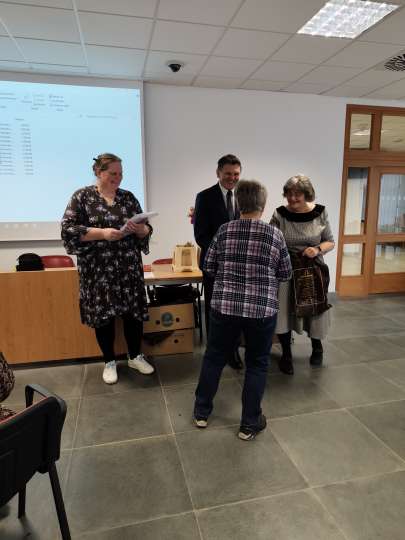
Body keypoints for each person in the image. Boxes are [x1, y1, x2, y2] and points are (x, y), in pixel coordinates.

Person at [193, 180, 291, 441]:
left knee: (214, 357)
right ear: (263, 204)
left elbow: (208, 266)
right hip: (261, 310)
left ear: (238, 203)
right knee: (257, 364)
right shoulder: (274, 235)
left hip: (224, 307)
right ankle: (249, 424)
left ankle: (201, 412)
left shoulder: (224, 230)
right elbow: (285, 273)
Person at [61, 153, 154, 384]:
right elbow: (68, 229)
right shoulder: (82, 197)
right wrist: (102, 233)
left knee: (133, 314)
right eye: (113, 173)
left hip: (128, 267)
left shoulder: (128, 197)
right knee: (104, 316)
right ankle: (109, 361)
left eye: (121, 173)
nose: (118, 178)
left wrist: (142, 230)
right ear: (98, 172)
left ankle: (135, 356)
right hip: (98, 270)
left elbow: (146, 229)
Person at [271, 175, 335, 375]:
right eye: (289, 194)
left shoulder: (320, 213)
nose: (292, 198)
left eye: (297, 194)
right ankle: (286, 354)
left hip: (312, 268)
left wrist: (317, 249)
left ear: (307, 194)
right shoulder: (279, 214)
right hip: (286, 269)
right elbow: (271, 240)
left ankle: (317, 347)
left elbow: (330, 241)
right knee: (283, 311)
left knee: (314, 310)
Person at [194, 154, 243, 369]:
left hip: (239, 265)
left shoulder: (243, 196)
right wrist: (222, 253)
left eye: (236, 174)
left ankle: (233, 350)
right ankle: (215, 350)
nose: (232, 178)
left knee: (235, 309)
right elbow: (200, 235)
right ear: (218, 173)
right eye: (228, 174)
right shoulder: (204, 197)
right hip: (214, 264)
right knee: (215, 309)